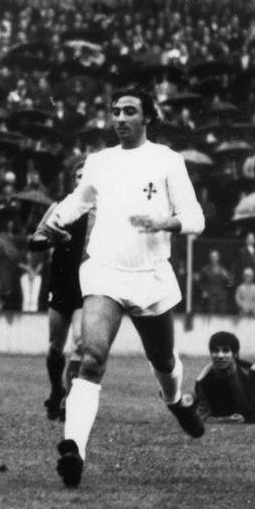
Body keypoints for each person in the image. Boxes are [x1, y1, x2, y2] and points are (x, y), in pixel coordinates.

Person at [41, 88, 206, 488]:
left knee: (164, 361)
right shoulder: (99, 162)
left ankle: (174, 400)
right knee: (91, 357)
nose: (119, 117)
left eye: (129, 111)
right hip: (104, 272)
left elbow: (195, 217)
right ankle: (74, 450)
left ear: (147, 117)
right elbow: (78, 202)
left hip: (150, 276)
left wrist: (164, 223)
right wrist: (54, 220)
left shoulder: (167, 160)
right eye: (115, 110)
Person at [29, 160, 91, 422]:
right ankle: (57, 390)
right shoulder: (59, 208)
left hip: (87, 284)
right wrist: (56, 238)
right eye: (78, 176)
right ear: (72, 181)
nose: (83, 181)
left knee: (80, 342)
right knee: (56, 347)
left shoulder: (105, 213)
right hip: (61, 283)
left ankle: (70, 400)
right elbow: (34, 241)